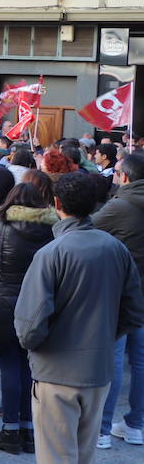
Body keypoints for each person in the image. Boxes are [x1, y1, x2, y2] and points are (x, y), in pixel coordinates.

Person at [14, 172, 144, 464]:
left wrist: (49, 343)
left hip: (57, 373)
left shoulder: (53, 253)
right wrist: (101, 336)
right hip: (97, 369)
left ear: (57, 204)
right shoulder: (114, 249)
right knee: (83, 461)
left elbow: (29, 327)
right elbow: (134, 311)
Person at [0, 180, 57, 455]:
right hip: (37, 304)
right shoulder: (51, 228)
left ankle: (10, 430)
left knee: (9, 365)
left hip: (4, 303)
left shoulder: (3, 224)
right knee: (29, 366)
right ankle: (28, 429)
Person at [91, 152, 144, 448]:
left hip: (120, 293)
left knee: (113, 360)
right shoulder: (121, 203)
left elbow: (85, 228)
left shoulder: (120, 205)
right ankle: (136, 424)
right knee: (140, 361)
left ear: (125, 176)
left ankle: (101, 429)